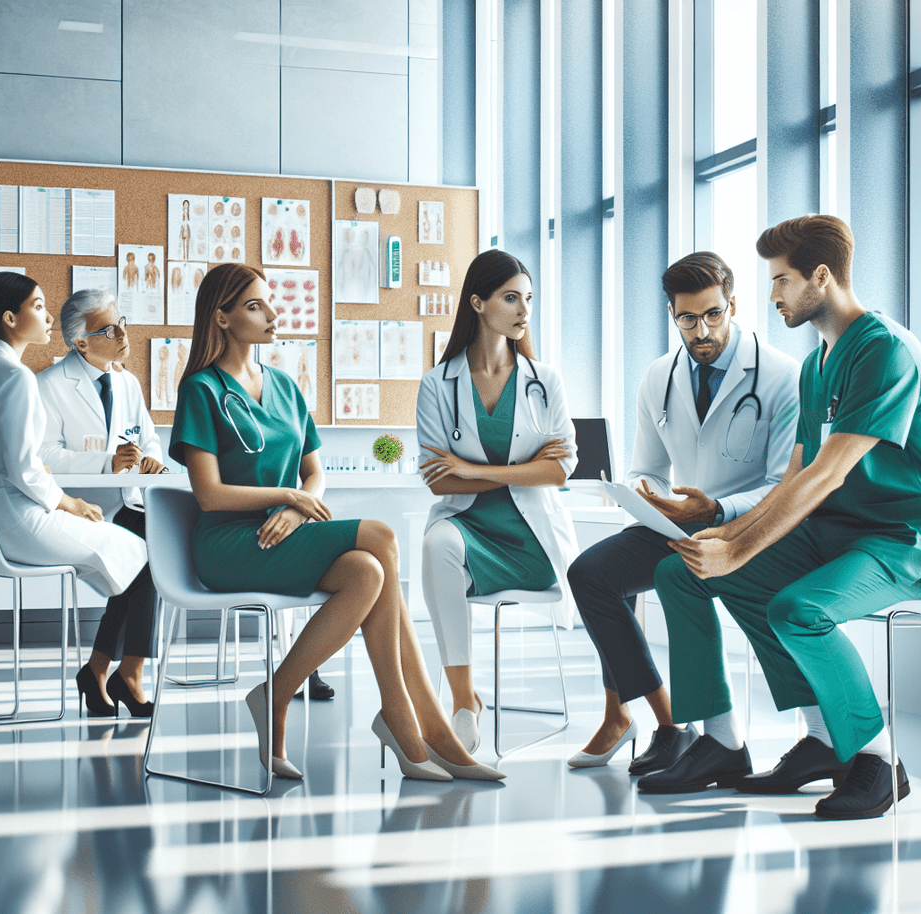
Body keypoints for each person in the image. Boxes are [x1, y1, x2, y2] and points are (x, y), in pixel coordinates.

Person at [653, 215, 921, 819]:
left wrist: (740, 551)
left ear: (822, 276)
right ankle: (752, 740)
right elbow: (795, 474)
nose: (771, 296)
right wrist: (725, 536)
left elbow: (828, 473)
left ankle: (876, 758)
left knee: (798, 608)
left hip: (901, 542)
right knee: (681, 573)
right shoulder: (818, 364)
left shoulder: (883, 351)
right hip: (833, 537)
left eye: (782, 280)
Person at [170, 263, 502, 782]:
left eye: (269, 301)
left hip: (285, 534)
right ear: (222, 318)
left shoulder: (283, 384)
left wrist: (299, 502)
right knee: (381, 536)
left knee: (366, 572)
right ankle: (415, 724)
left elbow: (314, 470)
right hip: (231, 544)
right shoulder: (201, 389)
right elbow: (209, 494)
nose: (273, 314)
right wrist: (288, 497)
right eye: (255, 306)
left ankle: (279, 695)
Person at [565, 252, 799, 779]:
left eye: (713, 314)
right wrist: (650, 499)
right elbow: (645, 468)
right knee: (592, 574)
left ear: (732, 305)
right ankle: (670, 724)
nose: (702, 330)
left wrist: (717, 508)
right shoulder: (658, 377)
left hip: (751, 526)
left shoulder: (782, 377)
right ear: (672, 315)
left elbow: (785, 483)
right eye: (687, 319)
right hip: (681, 523)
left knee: (677, 578)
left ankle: (709, 735)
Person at [415, 249, 580, 752]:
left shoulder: (543, 381)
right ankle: (466, 701)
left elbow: (560, 467)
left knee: (444, 544)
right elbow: (440, 482)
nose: (523, 310)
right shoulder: (437, 385)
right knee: (436, 545)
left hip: (531, 539)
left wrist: (473, 470)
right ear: (478, 303)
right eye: (511, 298)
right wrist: (515, 473)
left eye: (528, 298)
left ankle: (466, 701)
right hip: (468, 527)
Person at [0, 273, 147, 677]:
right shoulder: (17, 376)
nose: (48, 318)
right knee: (143, 553)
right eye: (38, 306)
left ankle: (108, 671)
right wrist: (71, 504)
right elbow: (26, 468)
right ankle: (113, 672)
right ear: (10, 318)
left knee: (128, 550)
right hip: (20, 521)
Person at [36, 289, 165, 718]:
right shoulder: (50, 386)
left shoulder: (127, 381)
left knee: (151, 549)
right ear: (81, 342)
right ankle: (125, 673)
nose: (123, 333)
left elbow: (150, 438)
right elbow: (44, 456)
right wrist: (106, 462)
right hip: (80, 507)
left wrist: (151, 460)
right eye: (109, 329)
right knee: (148, 554)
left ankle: (103, 670)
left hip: (128, 502)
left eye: (121, 320)